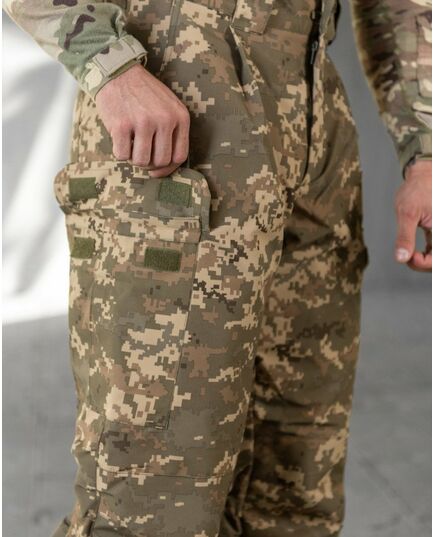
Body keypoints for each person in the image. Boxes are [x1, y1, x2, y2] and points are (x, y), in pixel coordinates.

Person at [4, 0, 432, 535]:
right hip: (175, 99)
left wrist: (424, 149)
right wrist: (108, 64)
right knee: (151, 504)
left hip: (315, 122)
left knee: (296, 492)